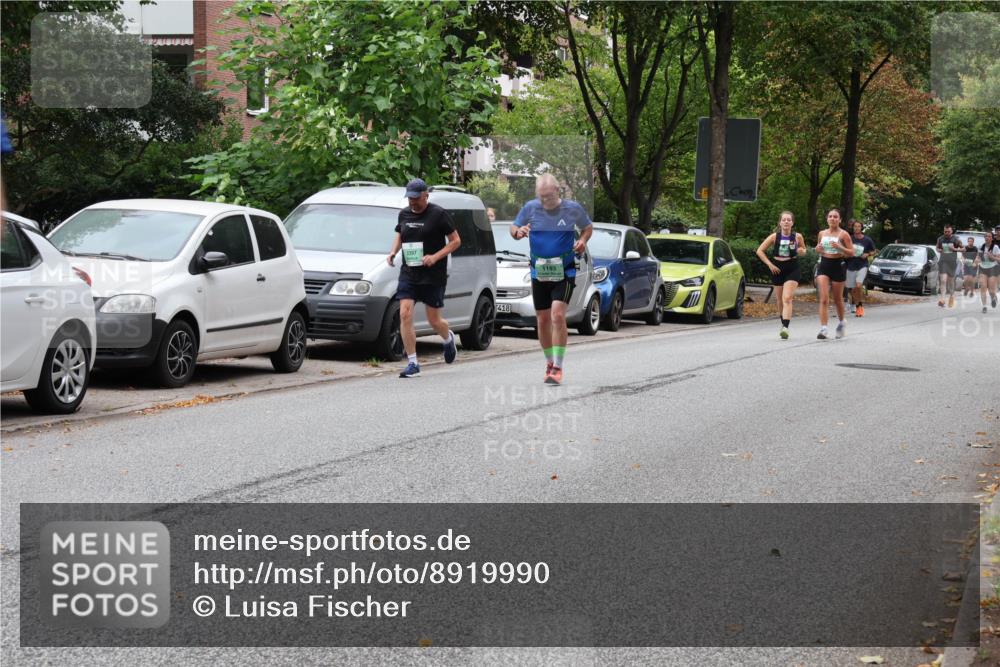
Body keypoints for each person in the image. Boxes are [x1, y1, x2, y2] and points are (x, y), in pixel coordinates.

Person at [511, 173, 592, 385]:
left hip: (564, 271)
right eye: (541, 196)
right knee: (542, 319)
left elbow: (587, 228)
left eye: (548, 196)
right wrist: (518, 231)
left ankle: (558, 366)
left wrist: (582, 240)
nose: (545, 200)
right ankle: (548, 362)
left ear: (557, 191)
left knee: (557, 316)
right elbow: (513, 227)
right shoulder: (530, 208)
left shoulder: (572, 209)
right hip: (539, 271)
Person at [387, 178, 462, 378]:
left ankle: (447, 339)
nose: (412, 202)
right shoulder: (403, 214)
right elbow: (400, 234)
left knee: (434, 320)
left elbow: (456, 241)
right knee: (404, 313)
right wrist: (393, 252)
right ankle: (413, 363)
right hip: (409, 272)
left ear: (425, 195)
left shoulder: (438, 214)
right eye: (409, 198)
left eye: (416, 198)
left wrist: (435, 257)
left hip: (433, 274)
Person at [755, 210, 806, 339]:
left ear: (792, 223)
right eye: (784, 220)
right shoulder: (774, 237)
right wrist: (770, 264)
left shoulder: (797, 236)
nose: (786, 222)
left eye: (789, 220)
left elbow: (803, 250)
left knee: (787, 298)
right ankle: (783, 323)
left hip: (792, 267)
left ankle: (786, 327)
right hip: (777, 268)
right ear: (780, 222)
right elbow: (760, 251)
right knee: (779, 300)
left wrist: (800, 251)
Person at [814, 207, 854, 340]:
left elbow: (851, 252)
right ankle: (824, 329)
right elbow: (819, 249)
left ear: (840, 220)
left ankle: (842, 322)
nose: (832, 218)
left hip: (838, 266)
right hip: (824, 265)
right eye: (830, 216)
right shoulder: (822, 233)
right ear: (827, 219)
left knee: (837, 299)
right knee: (824, 298)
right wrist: (817, 249)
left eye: (835, 217)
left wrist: (840, 248)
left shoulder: (844, 235)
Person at [845, 220, 876, 317]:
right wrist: (847, 255)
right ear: (853, 228)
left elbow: (874, 251)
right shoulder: (849, 239)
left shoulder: (867, 240)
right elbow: (845, 251)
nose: (857, 228)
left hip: (862, 265)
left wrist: (867, 254)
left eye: (859, 226)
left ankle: (859, 306)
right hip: (850, 266)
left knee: (858, 286)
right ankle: (858, 305)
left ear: (861, 228)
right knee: (852, 289)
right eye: (855, 226)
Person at [936, 225, 962, 308]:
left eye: (948, 231)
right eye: (945, 231)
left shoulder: (956, 239)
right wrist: (939, 250)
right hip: (943, 261)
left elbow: (964, 249)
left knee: (950, 282)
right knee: (943, 280)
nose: (946, 233)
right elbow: (937, 248)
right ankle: (942, 300)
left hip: (952, 262)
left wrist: (955, 249)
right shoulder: (940, 239)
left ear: (952, 231)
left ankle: (951, 297)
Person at [975, 231, 1000, 314]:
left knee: (991, 291)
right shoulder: (981, 247)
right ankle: (984, 306)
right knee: (983, 287)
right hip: (983, 268)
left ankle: (994, 298)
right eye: (985, 236)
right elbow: (978, 258)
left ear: (992, 238)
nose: (987, 237)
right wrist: (976, 261)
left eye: (989, 236)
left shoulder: (995, 247)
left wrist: (992, 256)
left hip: (993, 268)